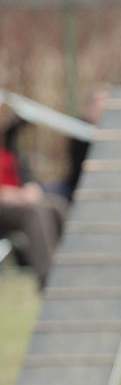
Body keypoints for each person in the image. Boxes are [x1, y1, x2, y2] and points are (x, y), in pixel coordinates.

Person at [0, 105, 67, 289]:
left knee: (57, 205)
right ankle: (49, 280)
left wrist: (31, 186)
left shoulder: (9, 144)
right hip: (5, 204)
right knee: (35, 213)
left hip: (19, 199)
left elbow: (24, 174)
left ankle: (74, 265)